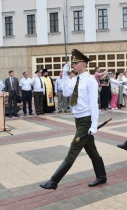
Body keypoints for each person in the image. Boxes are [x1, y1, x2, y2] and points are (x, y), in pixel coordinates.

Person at [40, 49, 106, 190]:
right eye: (73, 63)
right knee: (91, 149)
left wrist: (94, 124)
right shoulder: (75, 79)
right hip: (78, 119)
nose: (73, 65)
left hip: (87, 119)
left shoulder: (90, 81)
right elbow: (66, 91)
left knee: (74, 148)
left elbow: (94, 105)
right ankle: (102, 176)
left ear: (83, 64)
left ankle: (54, 181)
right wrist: (64, 75)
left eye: (75, 63)